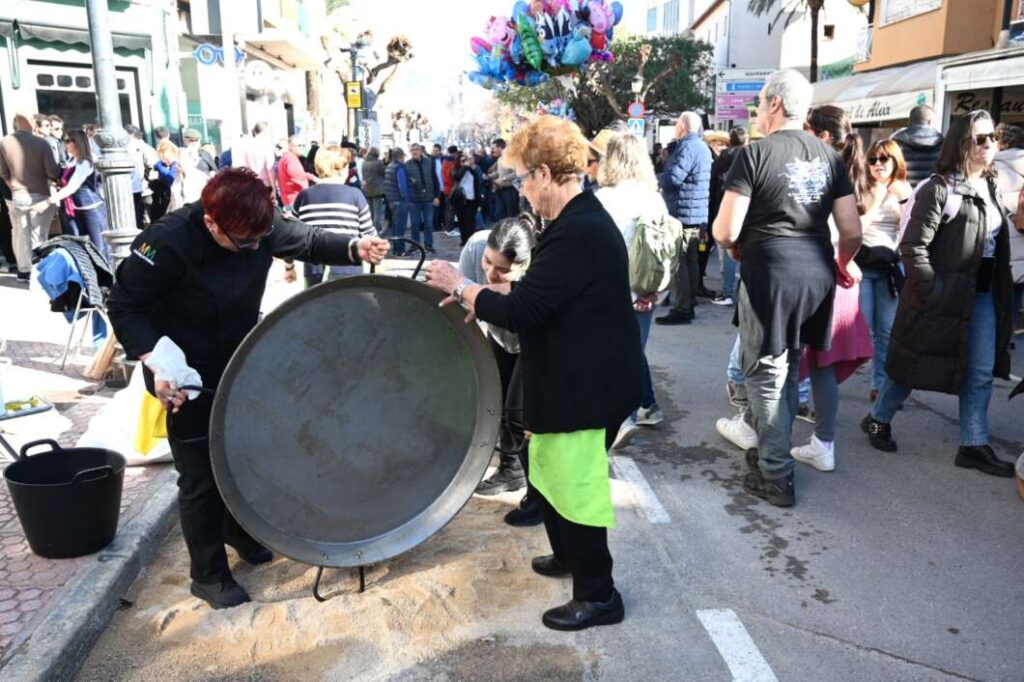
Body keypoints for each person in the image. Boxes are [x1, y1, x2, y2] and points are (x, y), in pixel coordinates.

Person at [106, 168, 389, 609]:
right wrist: (158, 363)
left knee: (244, 454)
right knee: (200, 475)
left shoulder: (256, 224)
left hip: (241, 359)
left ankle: (236, 531)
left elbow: (307, 240)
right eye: (245, 243)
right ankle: (208, 574)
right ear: (211, 223)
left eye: (261, 238)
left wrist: (354, 246)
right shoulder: (165, 242)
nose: (257, 248)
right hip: (182, 370)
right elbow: (125, 307)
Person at [424, 115, 643, 631]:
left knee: (575, 489)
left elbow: (524, 313)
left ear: (544, 174)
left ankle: (598, 595)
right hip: (575, 380)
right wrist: (493, 294)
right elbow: (545, 296)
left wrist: (462, 286)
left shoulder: (578, 230)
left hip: (586, 389)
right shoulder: (574, 223)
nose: (521, 189)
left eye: (523, 177)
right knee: (550, 474)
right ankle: (569, 557)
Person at [712, 69, 862, 507]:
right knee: (790, 364)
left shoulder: (755, 154)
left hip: (771, 273)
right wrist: (842, 263)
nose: (758, 110)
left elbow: (725, 230)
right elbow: (851, 230)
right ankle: (771, 451)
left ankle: (776, 473)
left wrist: (734, 243)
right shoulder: (830, 156)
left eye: (760, 101)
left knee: (764, 372)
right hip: (815, 272)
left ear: (775, 103)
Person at [863, 110, 1016, 479]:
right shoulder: (938, 188)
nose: (989, 144)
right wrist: (932, 289)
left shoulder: (992, 184)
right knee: (914, 364)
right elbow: (912, 246)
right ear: (961, 143)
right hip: (940, 294)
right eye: (980, 138)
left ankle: (973, 444)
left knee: (980, 371)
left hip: (982, 293)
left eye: (992, 137)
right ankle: (879, 418)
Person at [781, 105, 874, 472]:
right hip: (839, 276)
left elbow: (849, 233)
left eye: (806, 127)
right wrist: (847, 261)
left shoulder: (821, 169)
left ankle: (786, 439)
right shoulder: (851, 170)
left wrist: (843, 261)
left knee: (792, 360)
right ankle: (823, 441)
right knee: (822, 364)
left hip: (824, 273)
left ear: (820, 134)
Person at [460, 217, 539, 527]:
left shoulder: (540, 271)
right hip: (498, 333)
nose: (491, 273)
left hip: (531, 339)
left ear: (524, 265)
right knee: (498, 404)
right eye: (488, 262)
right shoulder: (475, 246)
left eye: (503, 270)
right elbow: (459, 300)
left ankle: (539, 496)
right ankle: (511, 469)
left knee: (520, 415)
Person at [594, 131, 669, 450]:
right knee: (633, 351)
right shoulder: (654, 198)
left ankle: (622, 419)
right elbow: (665, 250)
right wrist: (654, 293)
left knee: (609, 356)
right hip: (646, 292)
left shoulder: (602, 199)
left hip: (610, 292)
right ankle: (644, 407)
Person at [855, 137, 912, 401]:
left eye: (884, 159)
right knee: (862, 327)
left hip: (889, 268)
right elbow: (856, 230)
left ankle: (880, 385)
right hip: (863, 266)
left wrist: (903, 199)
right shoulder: (863, 188)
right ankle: (829, 377)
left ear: (895, 161)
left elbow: (911, 230)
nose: (878, 164)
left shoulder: (904, 189)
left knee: (886, 331)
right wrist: (877, 198)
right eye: (872, 159)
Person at [657, 111, 712, 325]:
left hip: (681, 212)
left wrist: (658, 178)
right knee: (690, 260)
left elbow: (673, 179)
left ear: (683, 127)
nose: (675, 128)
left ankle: (682, 307)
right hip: (695, 212)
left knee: (679, 261)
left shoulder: (687, 147)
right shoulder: (702, 147)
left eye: (677, 124)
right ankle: (689, 302)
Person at [293, 145, 377, 285]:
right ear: (342, 170)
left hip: (314, 268)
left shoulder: (304, 196)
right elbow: (368, 233)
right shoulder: (355, 195)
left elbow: (293, 234)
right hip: (349, 266)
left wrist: (289, 266)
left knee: (316, 299)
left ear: (317, 168)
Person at [32, 128, 112, 260]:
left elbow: (72, 187)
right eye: (64, 141)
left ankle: (107, 272)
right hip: (75, 208)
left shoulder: (86, 162)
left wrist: (48, 202)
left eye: (68, 141)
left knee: (99, 246)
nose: (65, 144)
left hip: (91, 208)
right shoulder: (72, 160)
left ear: (78, 142)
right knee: (81, 246)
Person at [0, 111, 60, 283]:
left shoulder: (4, 142)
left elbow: (3, 172)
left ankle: (24, 271)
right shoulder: (41, 143)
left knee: (19, 233)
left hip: (16, 195)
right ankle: (38, 274)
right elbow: (52, 171)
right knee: (38, 236)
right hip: (39, 193)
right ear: (31, 123)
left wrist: (12, 185)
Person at [709, 126, 749, 306]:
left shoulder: (720, 161)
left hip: (722, 210)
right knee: (746, 254)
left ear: (730, 141)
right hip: (747, 211)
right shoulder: (752, 158)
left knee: (726, 254)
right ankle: (743, 293)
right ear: (746, 140)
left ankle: (727, 293)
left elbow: (712, 189)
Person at [993, 124, 1024, 327]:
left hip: (1004, 241)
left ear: (1002, 143)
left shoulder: (994, 166)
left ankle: (1004, 337)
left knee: (1000, 301)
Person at [891, 105, 944, 187]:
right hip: (932, 192)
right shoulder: (943, 143)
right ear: (930, 122)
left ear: (909, 121)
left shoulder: (895, 141)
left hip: (903, 192)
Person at [405, 143, 439, 253]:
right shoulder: (407, 165)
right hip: (414, 199)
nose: (414, 152)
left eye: (416, 149)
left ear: (421, 151)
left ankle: (428, 244)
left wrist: (437, 196)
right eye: (412, 150)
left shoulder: (429, 162)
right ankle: (415, 245)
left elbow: (435, 179)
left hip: (429, 198)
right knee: (415, 224)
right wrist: (410, 182)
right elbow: (405, 183)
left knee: (428, 224)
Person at [383, 147, 411, 256]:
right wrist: (406, 199)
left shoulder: (389, 166)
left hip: (391, 200)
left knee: (395, 227)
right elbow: (402, 185)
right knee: (400, 227)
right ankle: (400, 250)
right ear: (402, 156)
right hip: (399, 201)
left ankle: (396, 249)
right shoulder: (399, 167)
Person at [450, 151, 482, 246]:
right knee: (462, 221)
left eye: (466, 160)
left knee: (470, 221)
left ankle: (470, 241)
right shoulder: (457, 170)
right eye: (462, 161)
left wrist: (479, 201)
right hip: (459, 200)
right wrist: (465, 167)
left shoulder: (473, 171)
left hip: (471, 200)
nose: (464, 162)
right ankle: (464, 240)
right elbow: (457, 177)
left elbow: (477, 186)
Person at [277, 136, 317, 209]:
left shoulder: (287, 157)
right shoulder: (290, 158)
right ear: (291, 147)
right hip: (294, 200)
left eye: (304, 145)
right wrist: (313, 177)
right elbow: (294, 172)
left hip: (291, 199)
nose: (302, 147)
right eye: (300, 145)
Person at [487, 139, 520, 221]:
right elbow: (500, 172)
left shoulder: (510, 158)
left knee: (511, 216)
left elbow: (517, 172)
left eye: (493, 148)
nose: (492, 150)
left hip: (510, 191)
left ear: (499, 148)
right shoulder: (500, 159)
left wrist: (504, 179)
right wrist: (489, 176)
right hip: (500, 191)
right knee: (500, 215)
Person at [150, 139, 184, 221]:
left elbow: (170, 177)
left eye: (164, 158)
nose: (164, 160)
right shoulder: (165, 165)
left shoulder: (176, 164)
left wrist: (160, 167)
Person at [361, 147, 387, 234]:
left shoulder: (364, 162)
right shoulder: (378, 163)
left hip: (367, 189)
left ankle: (370, 230)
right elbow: (384, 173)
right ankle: (377, 229)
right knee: (377, 213)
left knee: (371, 212)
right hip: (377, 190)